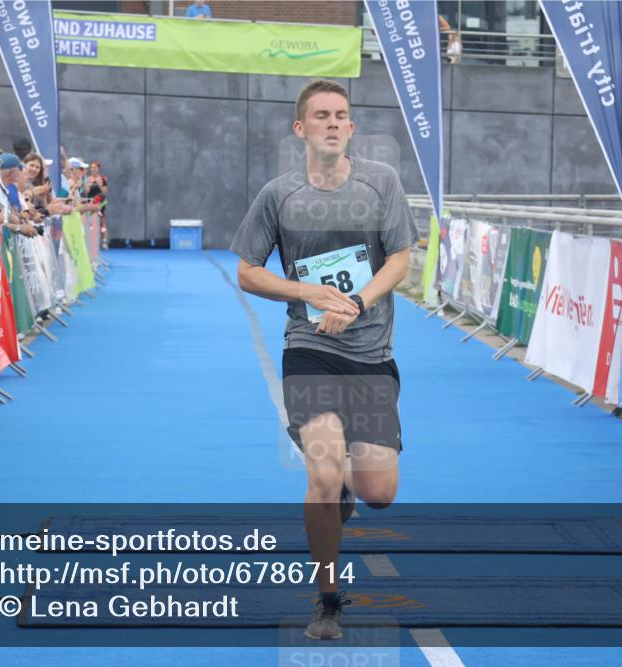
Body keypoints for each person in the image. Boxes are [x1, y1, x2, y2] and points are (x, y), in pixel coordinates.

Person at [229, 79, 417, 640]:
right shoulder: (279, 195)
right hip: (309, 351)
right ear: (301, 128)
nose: (332, 123)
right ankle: (328, 599)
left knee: (379, 493)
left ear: (351, 127)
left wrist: (357, 302)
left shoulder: (381, 183)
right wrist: (307, 292)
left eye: (340, 115)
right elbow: (247, 271)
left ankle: (349, 492)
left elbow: (401, 259)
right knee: (324, 471)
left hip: (371, 352)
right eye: (320, 116)